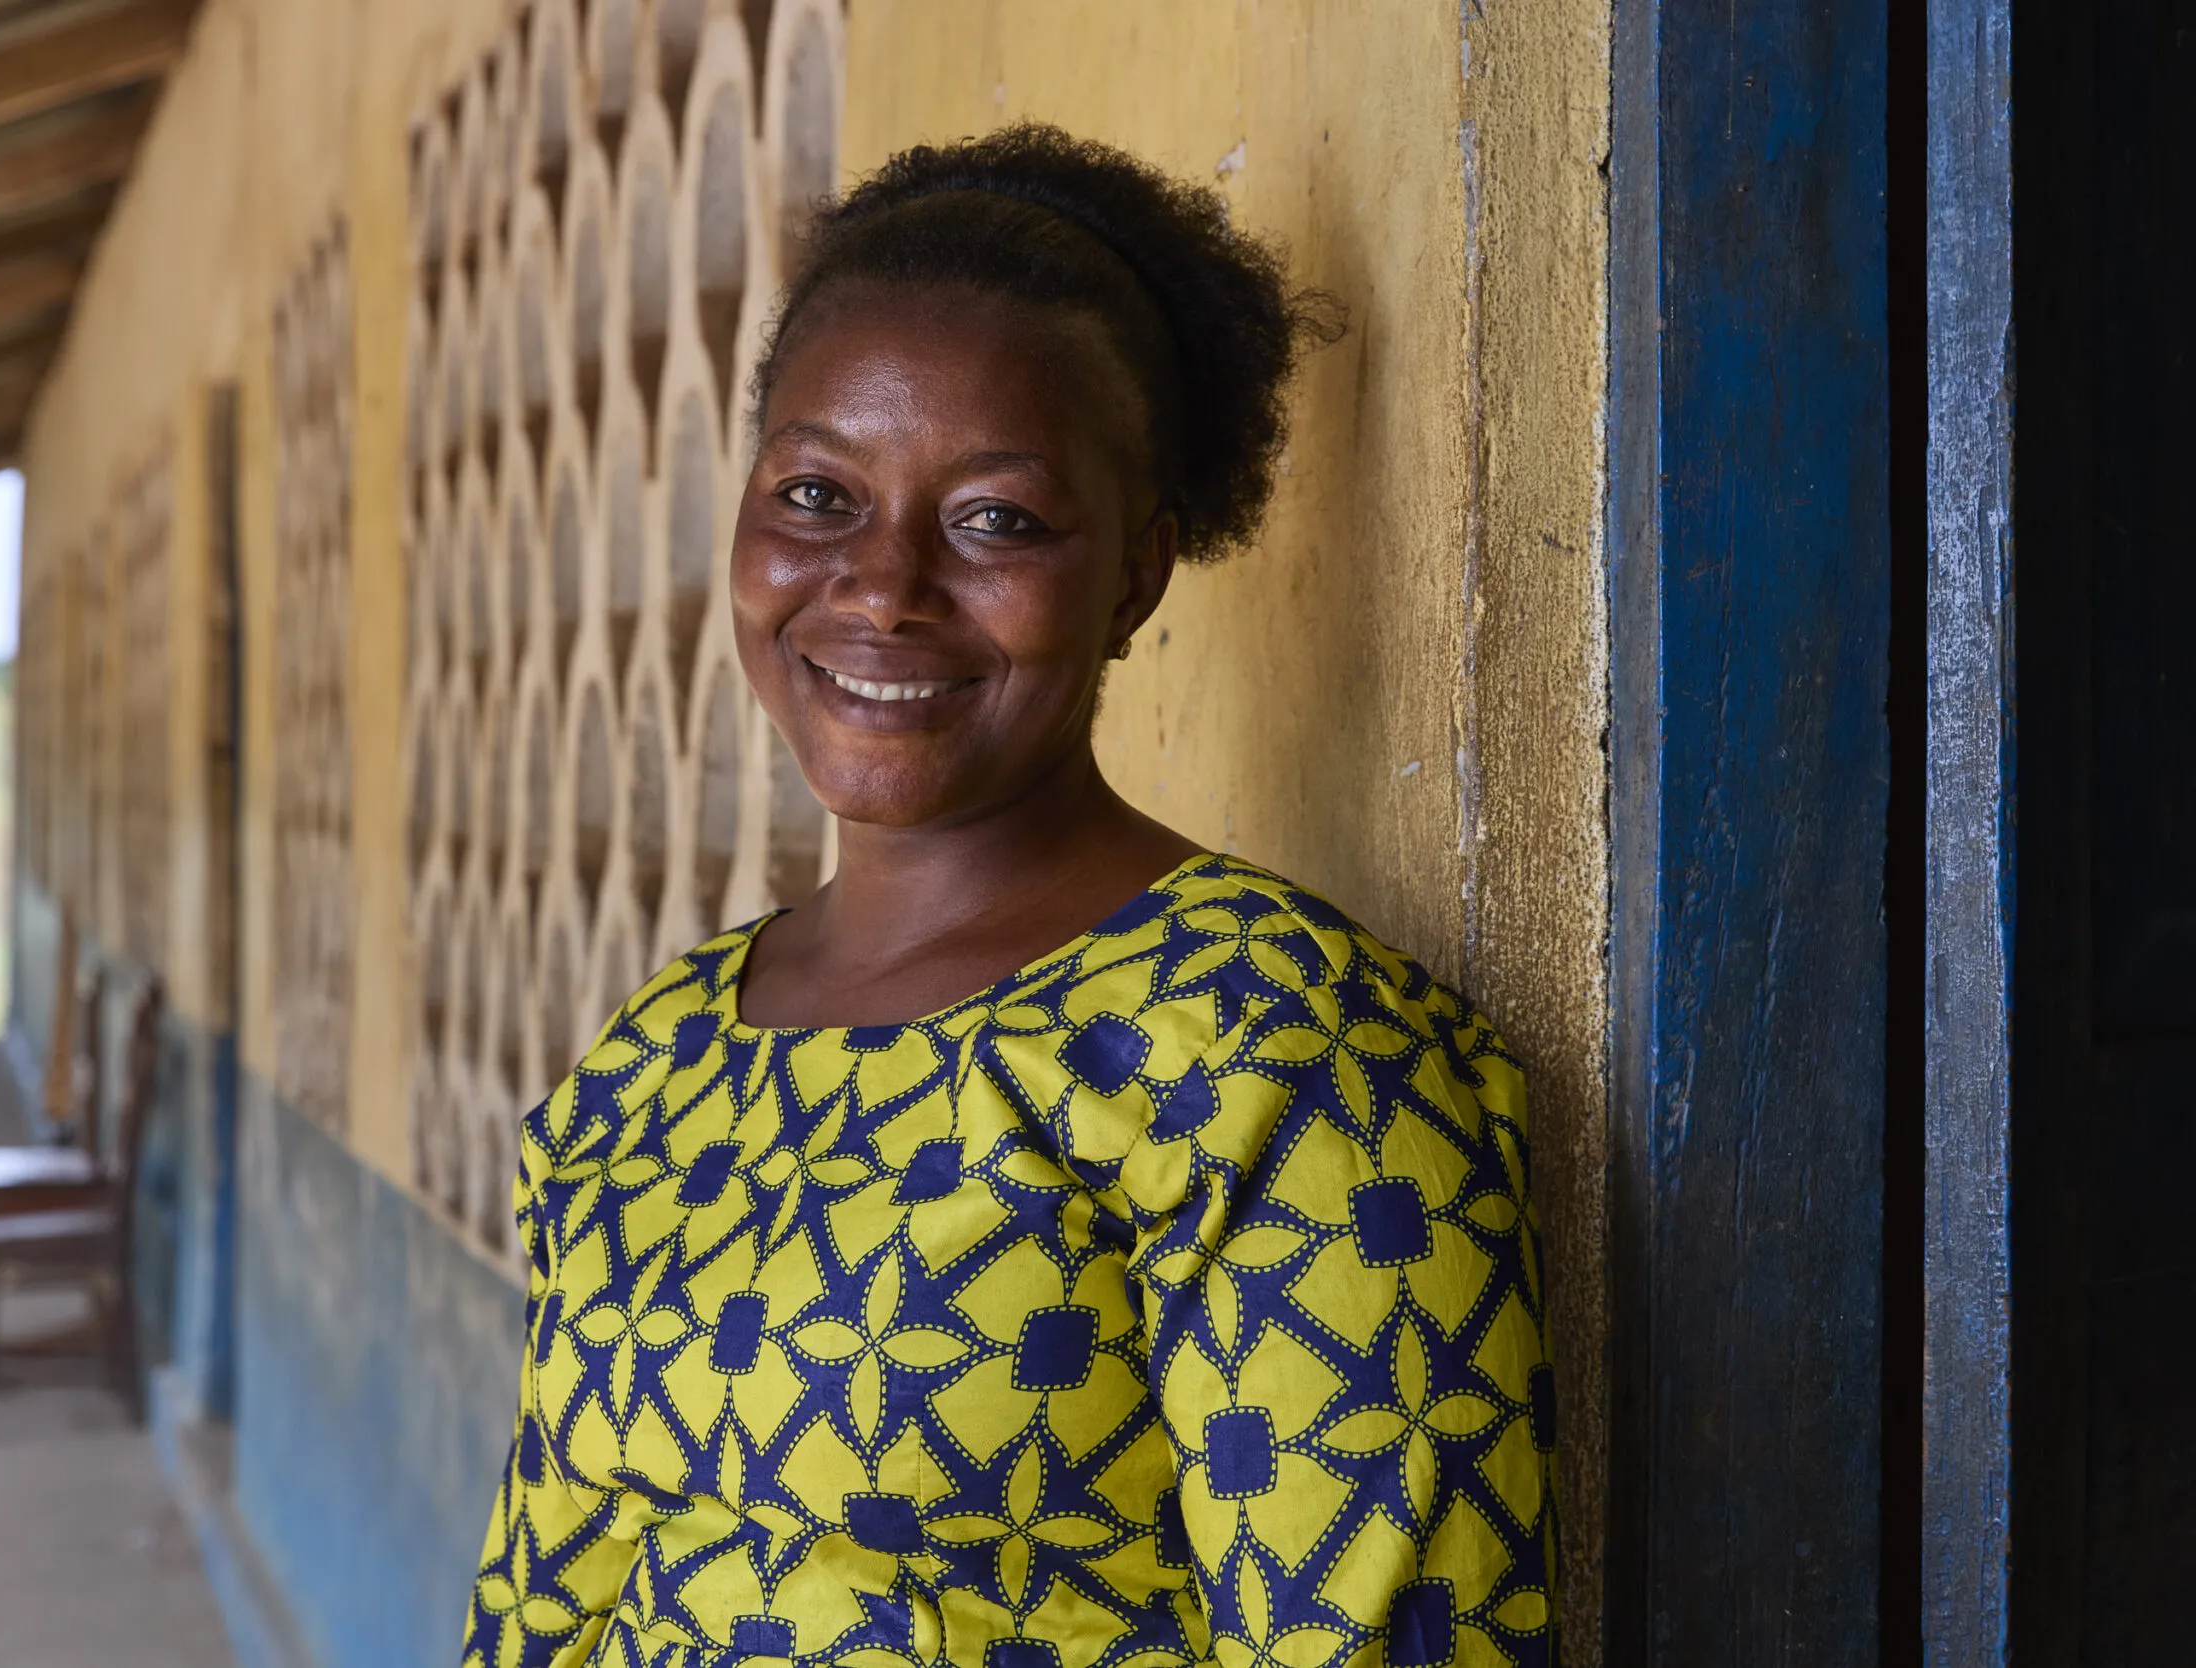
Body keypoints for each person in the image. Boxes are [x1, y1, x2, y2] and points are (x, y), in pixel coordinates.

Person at [464, 125, 1554, 1668]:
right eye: (817, 495)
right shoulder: (654, 1060)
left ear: (1138, 574)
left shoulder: (1276, 1055)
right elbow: (542, 1603)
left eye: (998, 521)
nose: (884, 583)